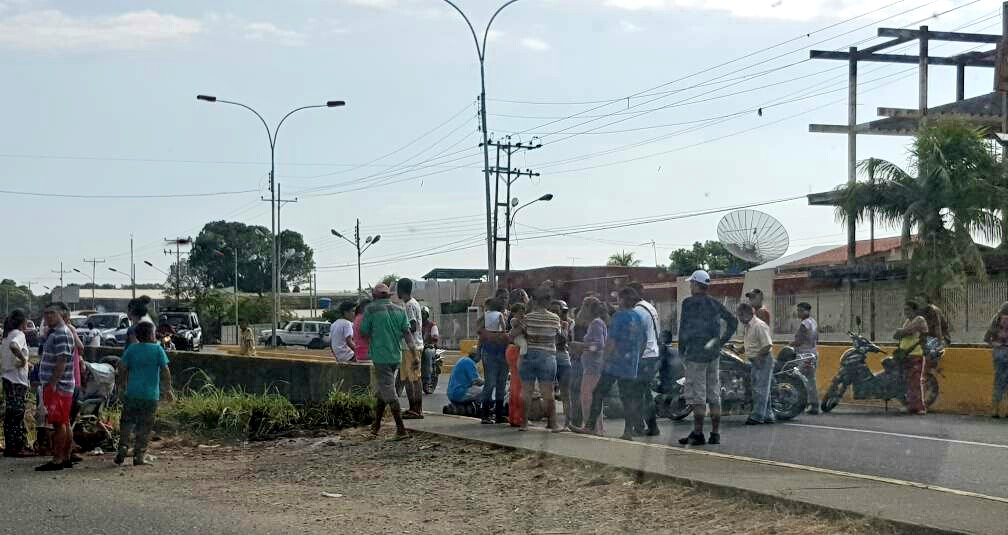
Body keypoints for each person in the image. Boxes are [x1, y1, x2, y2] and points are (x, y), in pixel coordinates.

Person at [575, 287, 645, 440]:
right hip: (631, 362)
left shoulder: (619, 316)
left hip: (615, 363)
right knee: (627, 397)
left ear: (622, 299)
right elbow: (643, 340)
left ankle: (590, 425)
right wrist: (636, 357)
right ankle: (628, 431)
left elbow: (611, 341)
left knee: (598, 392)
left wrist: (605, 359)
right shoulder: (638, 317)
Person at [677, 270, 738, 446]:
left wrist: (682, 350)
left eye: (691, 283)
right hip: (713, 354)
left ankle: (698, 433)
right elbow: (733, 322)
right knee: (714, 394)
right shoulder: (715, 304)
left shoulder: (688, 303)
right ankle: (715, 433)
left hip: (696, 355)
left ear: (696, 284)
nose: (690, 286)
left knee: (698, 396)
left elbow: (684, 329)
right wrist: (720, 341)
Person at [115, 321, 174, 466]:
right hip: (150, 395)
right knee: (145, 426)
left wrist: (121, 386)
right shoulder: (157, 349)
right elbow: (165, 371)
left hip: (132, 393)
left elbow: (121, 368)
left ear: (137, 335)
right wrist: (168, 389)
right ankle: (139, 455)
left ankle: (123, 446)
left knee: (127, 422)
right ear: (152, 334)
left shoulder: (132, 349)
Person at [361, 283, 415, 439]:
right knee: (383, 391)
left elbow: (364, 331)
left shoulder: (370, 309)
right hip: (395, 356)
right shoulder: (399, 310)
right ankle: (375, 426)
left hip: (381, 356)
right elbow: (407, 334)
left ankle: (401, 429)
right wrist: (415, 355)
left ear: (374, 296)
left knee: (389, 393)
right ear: (389, 295)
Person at [35, 302, 76, 471]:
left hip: (58, 386)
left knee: (59, 423)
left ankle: (58, 459)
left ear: (62, 314)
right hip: (60, 385)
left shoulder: (61, 333)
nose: (47, 316)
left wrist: (52, 384)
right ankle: (65, 457)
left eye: (52, 313)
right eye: (46, 313)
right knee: (64, 421)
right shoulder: (56, 333)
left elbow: (62, 361)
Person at [513, 287, 562, 431]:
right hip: (547, 357)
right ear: (547, 302)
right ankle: (552, 423)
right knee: (548, 392)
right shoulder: (555, 318)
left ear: (534, 301)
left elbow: (514, 334)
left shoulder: (527, 318)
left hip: (529, 356)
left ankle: (524, 423)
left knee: (526, 391)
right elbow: (559, 337)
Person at [571, 296, 607, 434]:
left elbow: (599, 345)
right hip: (593, 365)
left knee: (587, 397)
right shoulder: (598, 322)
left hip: (593, 366)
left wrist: (581, 346)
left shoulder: (596, 324)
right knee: (593, 397)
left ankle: (590, 427)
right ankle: (597, 428)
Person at [629, 282, 660, 436]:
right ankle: (652, 426)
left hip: (643, 356)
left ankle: (639, 427)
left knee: (636, 393)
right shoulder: (650, 307)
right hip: (653, 353)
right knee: (645, 393)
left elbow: (638, 338)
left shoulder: (637, 311)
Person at [2, 309, 34, 457]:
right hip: (17, 380)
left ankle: (11, 445)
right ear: (22, 322)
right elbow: (14, 346)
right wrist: (22, 360)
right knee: (17, 413)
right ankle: (17, 446)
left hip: (8, 378)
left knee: (11, 413)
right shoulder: (18, 335)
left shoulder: (7, 335)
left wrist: (27, 362)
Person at [737, 303, 775, 425]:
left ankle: (757, 416)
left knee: (760, 389)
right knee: (762, 389)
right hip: (755, 360)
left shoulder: (759, 325)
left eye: (740, 315)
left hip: (763, 359)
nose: (739, 318)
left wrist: (758, 358)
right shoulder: (749, 326)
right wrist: (741, 349)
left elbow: (767, 344)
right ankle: (768, 415)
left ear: (747, 313)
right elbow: (752, 342)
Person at [893, 300, 929, 415]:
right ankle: (911, 406)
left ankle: (920, 407)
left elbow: (905, 332)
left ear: (915, 310)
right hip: (906, 355)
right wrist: (900, 332)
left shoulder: (919, 320)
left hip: (916, 354)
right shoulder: (908, 321)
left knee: (915, 381)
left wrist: (901, 331)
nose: (906, 312)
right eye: (905, 310)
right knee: (908, 382)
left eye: (908, 310)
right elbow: (897, 335)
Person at [396, 278, 424, 419]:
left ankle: (417, 409)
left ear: (400, 290)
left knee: (414, 379)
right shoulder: (412, 304)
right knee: (408, 378)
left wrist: (398, 331)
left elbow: (412, 326)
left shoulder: (409, 306)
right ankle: (413, 408)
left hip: (411, 347)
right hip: (408, 347)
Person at [479, 297, 510, 424]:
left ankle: (490, 414)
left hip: (492, 351)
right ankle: (494, 414)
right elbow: (504, 332)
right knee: (497, 384)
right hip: (498, 351)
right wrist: (502, 335)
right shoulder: (500, 316)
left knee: (493, 383)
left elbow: (480, 331)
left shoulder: (485, 316)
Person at [550, 299, 576, 429]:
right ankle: (552, 422)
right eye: (552, 311)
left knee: (566, 393)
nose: (555, 314)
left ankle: (567, 422)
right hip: (550, 358)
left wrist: (561, 327)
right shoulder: (549, 322)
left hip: (562, 357)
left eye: (557, 311)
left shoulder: (567, 323)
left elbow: (564, 340)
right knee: (549, 392)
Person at [791, 302, 819, 415]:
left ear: (806, 311)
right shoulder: (813, 322)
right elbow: (817, 338)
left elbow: (799, 340)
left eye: (800, 310)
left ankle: (800, 403)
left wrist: (789, 346)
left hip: (804, 355)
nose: (798, 313)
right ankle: (814, 404)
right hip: (812, 353)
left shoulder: (804, 324)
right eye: (798, 310)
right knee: (811, 380)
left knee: (795, 376)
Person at [983, 301, 1008, 418]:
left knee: (998, 381)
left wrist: (995, 344)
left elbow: (987, 338)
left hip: (999, 352)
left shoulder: (997, 320)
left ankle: (995, 410)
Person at [506, 300, 528, 427]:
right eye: (521, 312)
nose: (523, 314)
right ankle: (518, 417)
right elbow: (514, 334)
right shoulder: (515, 322)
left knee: (515, 385)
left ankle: (514, 416)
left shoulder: (514, 323)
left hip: (513, 351)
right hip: (516, 352)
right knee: (519, 386)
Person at [421, 306, 439, 391]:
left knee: (427, 353)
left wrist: (430, 343)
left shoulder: (432, 325)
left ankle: (427, 381)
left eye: (424, 314)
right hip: (419, 346)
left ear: (427, 315)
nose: (422, 315)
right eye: (421, 313)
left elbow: (435, 337)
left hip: (429, 346)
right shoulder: (417, 324)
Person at [352, 298, 372, 362]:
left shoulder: (357, 317)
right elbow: (365, 334)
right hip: (366, 353)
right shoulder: (364, 318)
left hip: (359, 353)